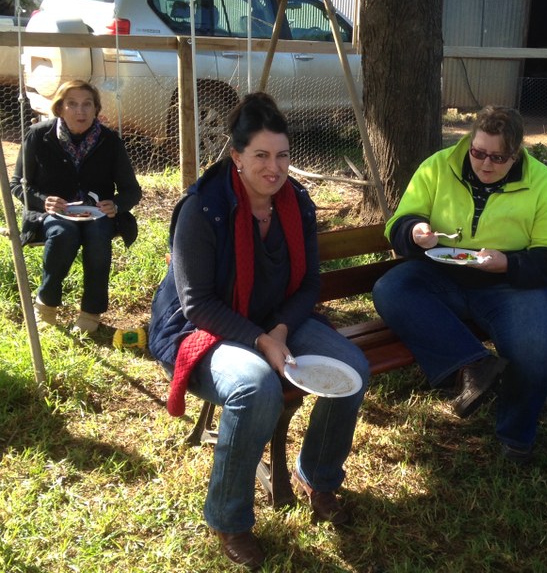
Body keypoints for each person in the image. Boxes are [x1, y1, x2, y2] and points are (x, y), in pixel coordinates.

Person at [148, 92, 368, 570]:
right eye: (261, 156)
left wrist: (282, 329)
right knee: (256, 386)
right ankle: (229, 518)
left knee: (352, 368)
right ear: (236, 156)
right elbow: (196, 303)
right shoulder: (202, 209)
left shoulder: (296, 203)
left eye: (283, 155)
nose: (274, 168)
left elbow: (309, 282)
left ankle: (317, 476)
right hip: (200, 329)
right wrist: (261, 340)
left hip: (276, 318)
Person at [372, 106, 547, 464]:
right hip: (442, 274)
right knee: (392, 289)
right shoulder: (437, 166)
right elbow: (399, 223)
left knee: (537, 346)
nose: (485, 164)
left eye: (498, 158)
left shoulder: (546, 185)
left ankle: (516, 438)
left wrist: (508, 263)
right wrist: (415, 231)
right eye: (478, 152)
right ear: (469, 142)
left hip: (511, 282)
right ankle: (472, 366)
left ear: (516, 155)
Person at [11, 79, 142, 334]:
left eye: (87, 104)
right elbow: (17, 183)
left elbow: (132, 191)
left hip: (97, 215)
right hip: (53, 213)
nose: (80, 111)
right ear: (60, 108)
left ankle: (91, 311)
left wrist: (115, 204)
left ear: (96, 109)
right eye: (72, 104)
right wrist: (42, 200)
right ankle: (46, 304)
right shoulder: (39, 136)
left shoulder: (110, 141)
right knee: (63, 233)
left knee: (97, 236)